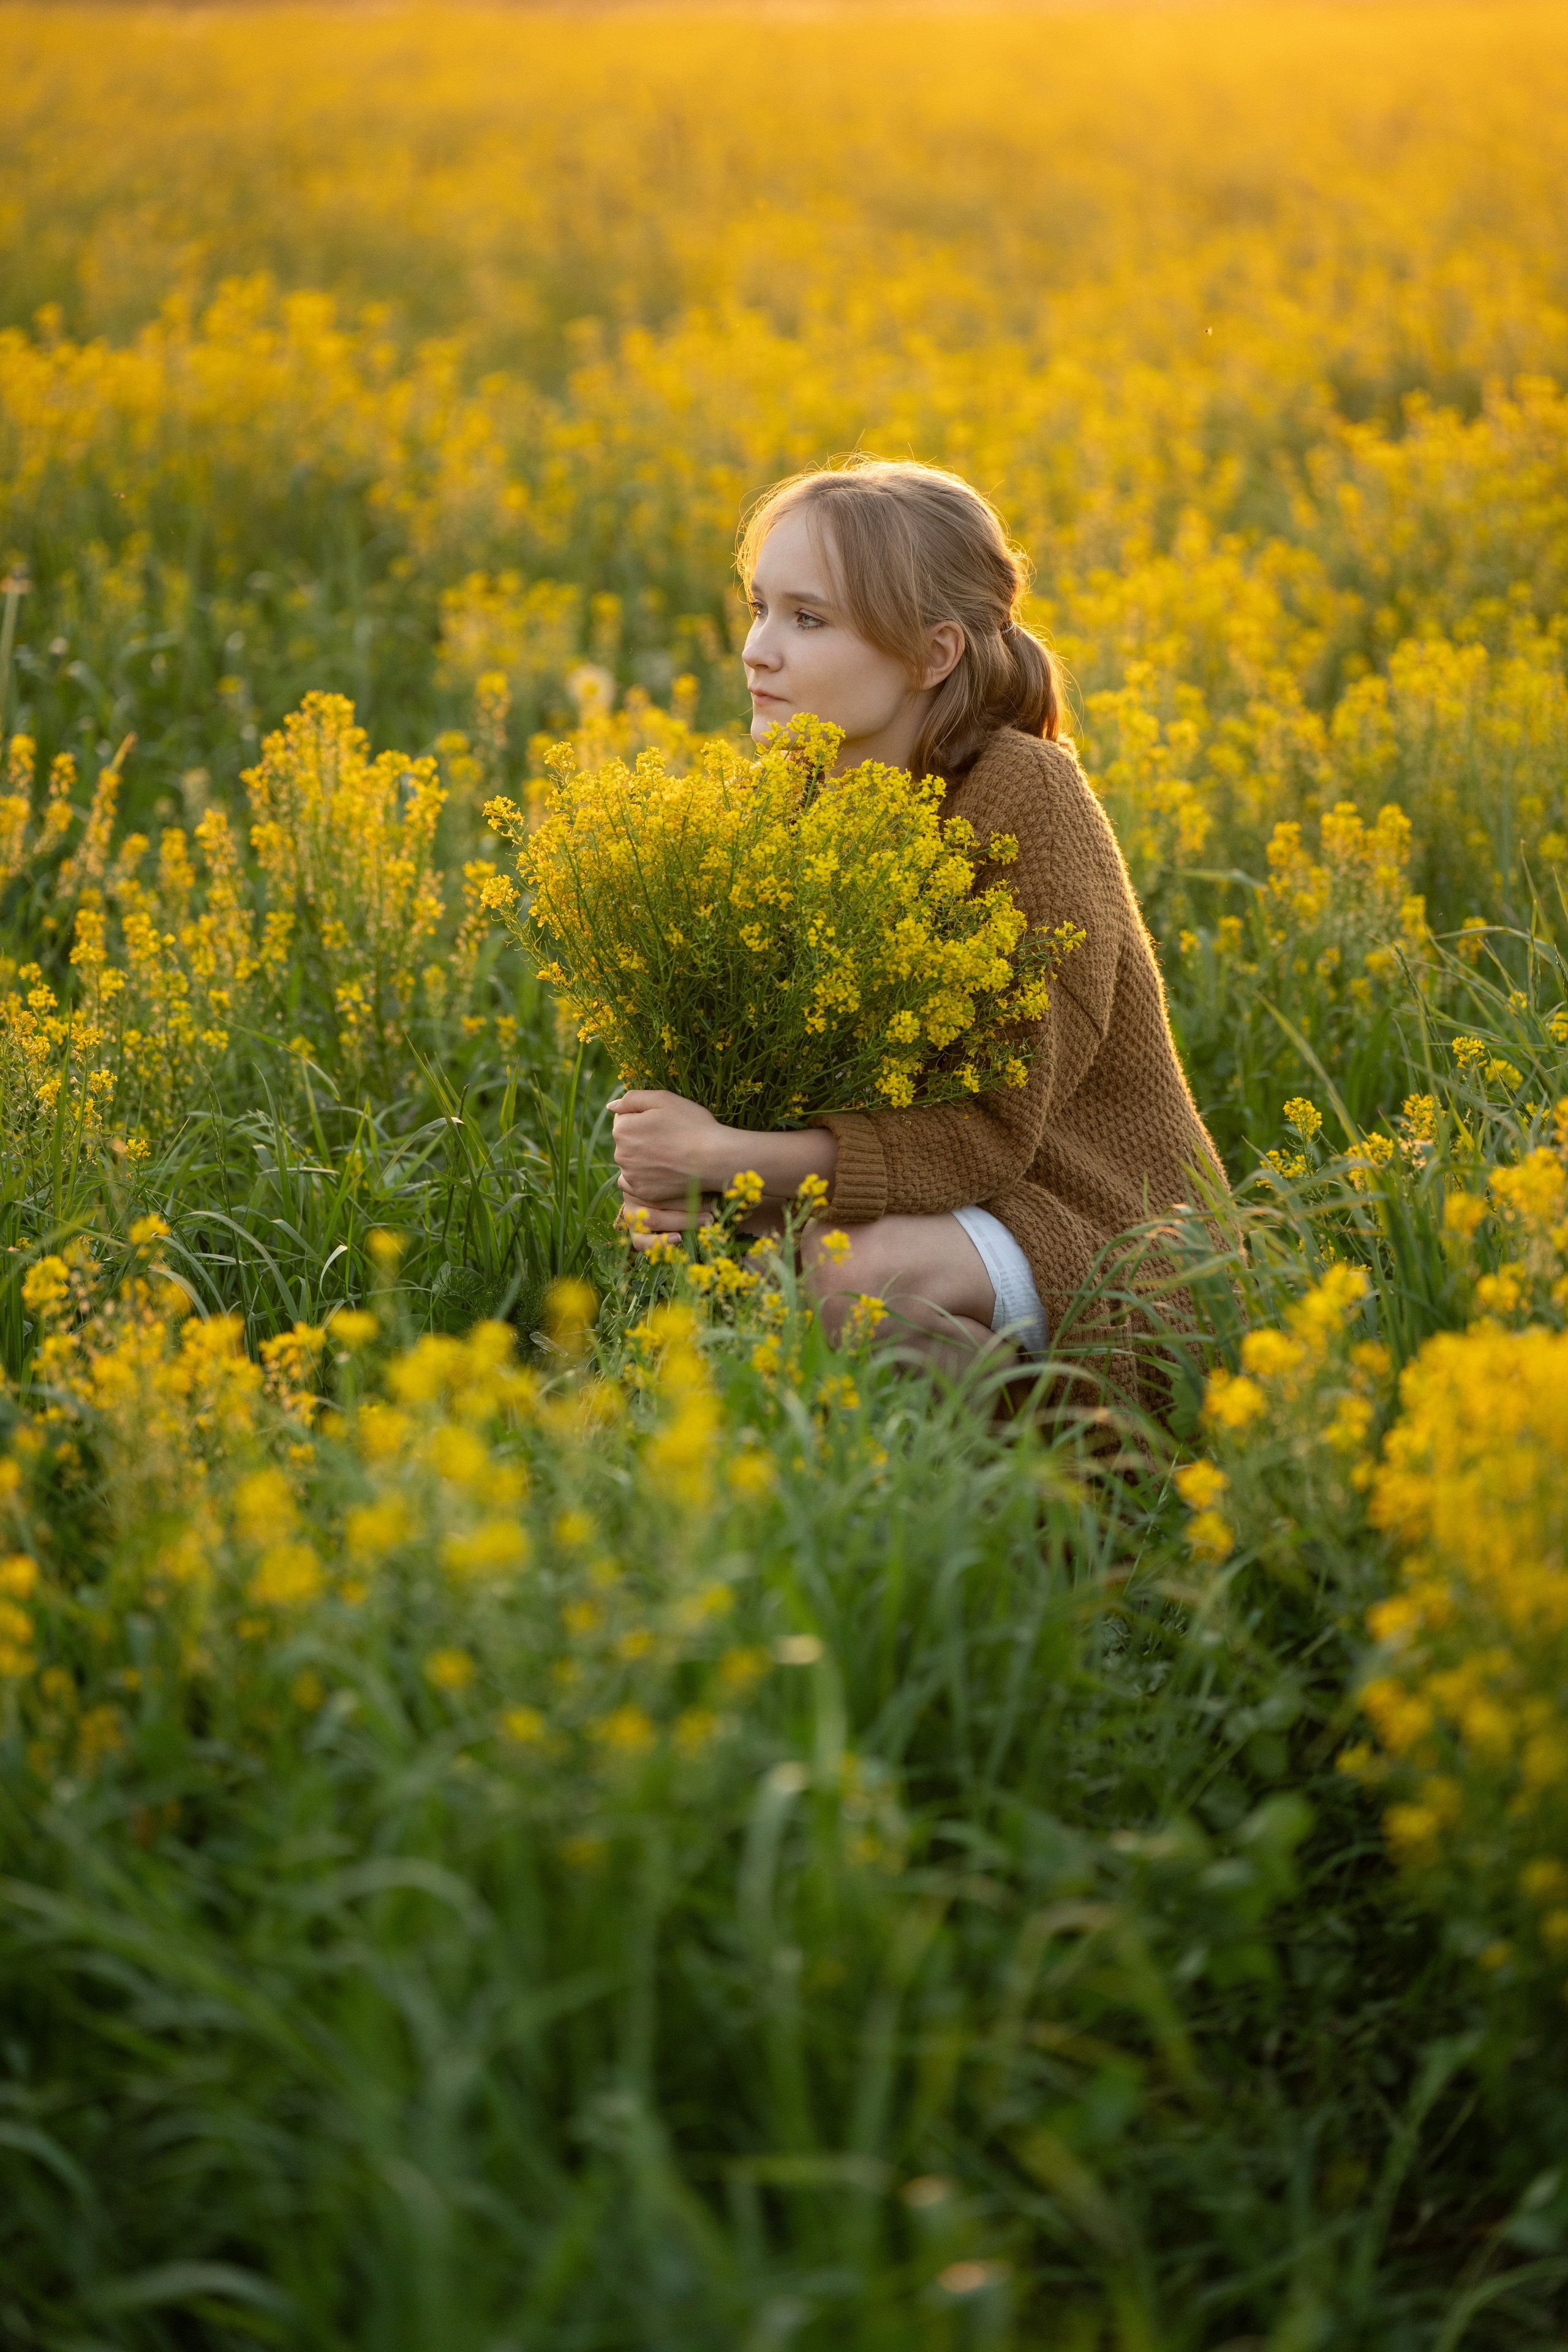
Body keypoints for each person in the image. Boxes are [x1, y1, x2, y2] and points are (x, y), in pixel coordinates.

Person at [611, 455, 1226, 1384]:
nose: (758, 651)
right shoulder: (781, 806)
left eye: (808, 619)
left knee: (855, 1272)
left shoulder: (1023, 795)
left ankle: (1092, 1463)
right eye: (758, 609)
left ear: (934, 654)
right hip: (913, 1212)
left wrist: (729, 1158)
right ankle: (977, 1480)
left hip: (1099, 1228)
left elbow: (987, 1135)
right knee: (758, 1273)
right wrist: (696, 1180)